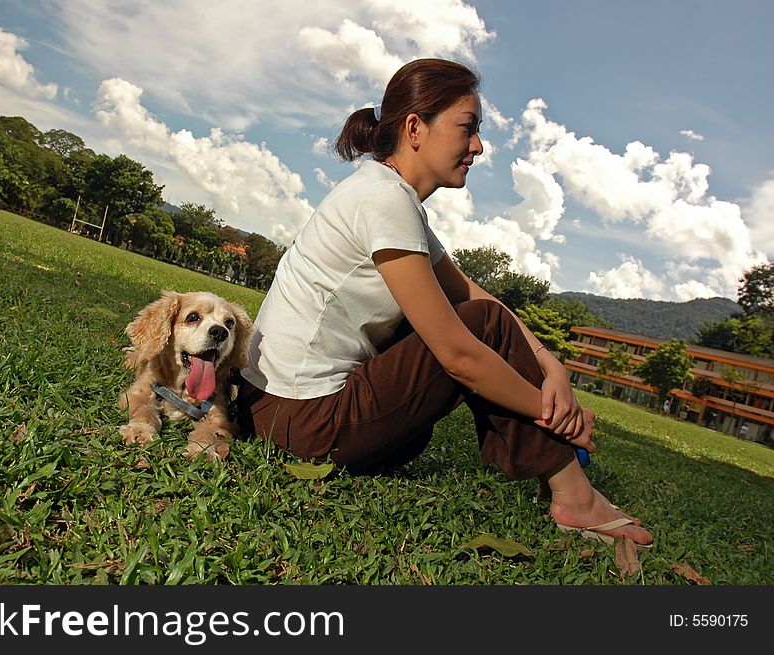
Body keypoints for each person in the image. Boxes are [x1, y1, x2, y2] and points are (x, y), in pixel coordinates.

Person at [237, 58, 652, 547]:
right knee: (478, 329)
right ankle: (574, 498)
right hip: (298, 422)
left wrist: (549, 361)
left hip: (275, 412)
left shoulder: (391, 199)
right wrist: (556, 415)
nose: (477, 146)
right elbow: (463, 351)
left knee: (474, 319)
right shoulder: (383, 200)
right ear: (415, 127)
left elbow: (473, 294)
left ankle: (556, 476)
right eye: (467, 129)